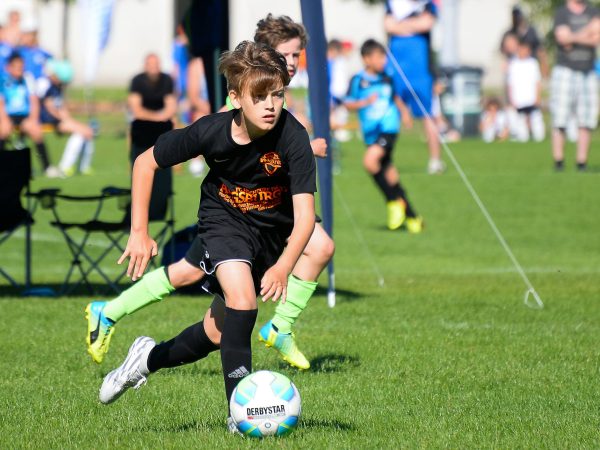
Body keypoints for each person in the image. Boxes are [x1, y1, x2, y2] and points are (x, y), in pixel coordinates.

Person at [85, 14, 333, 373]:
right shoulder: (227, 120)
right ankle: (274, 338)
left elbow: (275, 153)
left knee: (214, 322)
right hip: (229, 214)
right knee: (226, 291)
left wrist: (304, 150)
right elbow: (227, 139)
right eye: (288, 55)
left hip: (267, 216)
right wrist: (139, 230)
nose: (294, 63)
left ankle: (128, 338)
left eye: (298, 56)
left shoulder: (284, 121)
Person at [345, 39, 423, 233]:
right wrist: (364, 103)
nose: (383, 60)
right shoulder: (358, 80)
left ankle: (393, 203)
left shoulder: (388, 77)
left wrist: (404, 113)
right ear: (366, 59)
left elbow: (395, 97)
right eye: (379, 56)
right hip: (370, 133)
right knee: (390, 175)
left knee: (370, 162)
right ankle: (413, 217)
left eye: (384, 56)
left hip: (388, 128)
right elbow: (348, 103)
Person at [384, 0, 445, 174]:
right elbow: (388, 25)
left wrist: (401, 25)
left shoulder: (427, 4)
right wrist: (413, 25)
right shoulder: (393, 3)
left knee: (429, 115)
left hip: (421, 69)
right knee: (391, 113)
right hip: (397, 66)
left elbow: (427, 23)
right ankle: (386, 159)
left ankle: (435, 160)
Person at [550, 0, 600, 172]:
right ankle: (559, 162)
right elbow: (562, 38)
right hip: (565, 69)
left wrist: (572, 37)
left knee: (586, 118)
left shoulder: (593, 11)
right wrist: (588, 31)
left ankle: (581, 163)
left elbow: (597, 38)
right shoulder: (562, 13)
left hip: (588, 70)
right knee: (560, 117)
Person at [127, 53, 177, 215]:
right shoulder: (137, 81)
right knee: (140, 171)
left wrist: (161, 117)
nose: (153, 68)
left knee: (162, 175)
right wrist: (159, 117)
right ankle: (139, 210)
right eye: (150, 64)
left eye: (156, 64)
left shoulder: (167, 80)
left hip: (161, 134)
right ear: (145, 66)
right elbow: (136, 110)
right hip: (141, 134)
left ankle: (159, 210)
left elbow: (171, 107)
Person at [0, 52, 59, 177]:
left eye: (21, 67)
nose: (19, 70)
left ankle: (47, 167)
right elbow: (1, 103)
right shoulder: (3, 80)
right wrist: (4, 119)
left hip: (24, 116)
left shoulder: (28, 79)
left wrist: (33, 119)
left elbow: (34, 101)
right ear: (9, 67)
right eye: (16, 67)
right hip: (7, 115)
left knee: (36, 131)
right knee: (3, 130)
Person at [37, 59, 95, 176]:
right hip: (47, 120)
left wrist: (70, 121)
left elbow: (62, 108)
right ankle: (65, 166)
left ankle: (83, 167)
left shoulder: (57, 87)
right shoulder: (46, 85)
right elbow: (51, 109)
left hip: (57, 119)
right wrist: (67, 121)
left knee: (87, 131)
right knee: (81, 132)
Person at [507, 39, 545, 142]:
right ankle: (523, 138)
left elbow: (537, 81)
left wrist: (538, 96)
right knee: (520, 120)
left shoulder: (533, 63)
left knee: (536, 118)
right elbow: (510, 83)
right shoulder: (513, 64)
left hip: (531, 97)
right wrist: (511, 98)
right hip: (519, 98)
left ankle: (539, 138)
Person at [185, 55, 211, 177]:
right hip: (203, 109)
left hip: (223, 107)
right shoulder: (196, 65)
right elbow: (193, 97)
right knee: (200, 118)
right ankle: (197, 161)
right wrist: (212, 110)